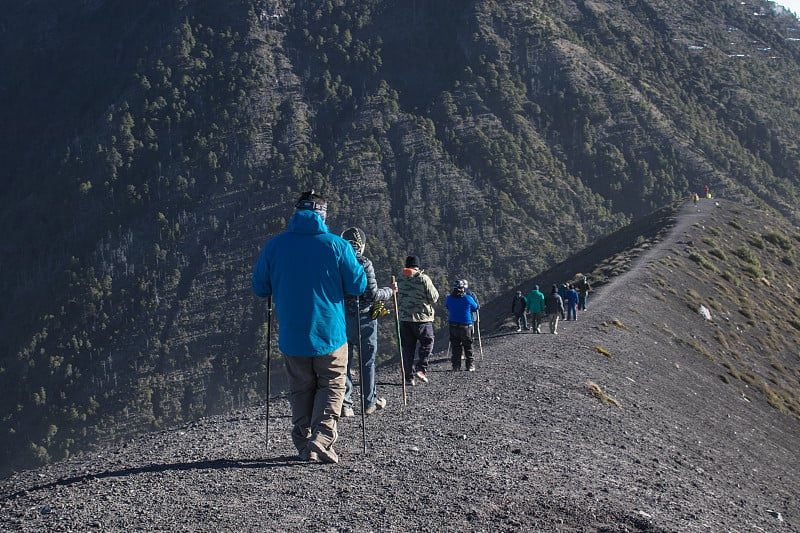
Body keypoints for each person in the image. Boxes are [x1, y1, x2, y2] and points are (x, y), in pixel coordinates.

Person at [251, 190, 367, 464]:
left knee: (301, 387)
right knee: (333, 384)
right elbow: (358, 286)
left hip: (293, 334)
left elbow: (260, 287)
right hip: (330, 332)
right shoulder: (337, 246)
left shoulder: (275, 246)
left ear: (296, 213)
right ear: (323, 216)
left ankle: (303, 442)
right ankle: (322, 439)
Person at [340, 227, 396, 417]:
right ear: (361, 245)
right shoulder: (364, 262)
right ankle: (369, 401)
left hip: (342, 319)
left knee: (344, 361)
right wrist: (389, 291)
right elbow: (372, 295)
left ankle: (345, 403)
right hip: (366, 317)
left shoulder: (337, 261)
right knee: (367, 361)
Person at [396, 255, 439, 386]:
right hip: (422, 319)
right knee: (427, 342)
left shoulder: (399, 279)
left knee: (408, 348)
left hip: (404, 319)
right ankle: (421, 368)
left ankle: (409, 378)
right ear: (418, 266)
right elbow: (434, 297)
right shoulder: (423, 279)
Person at [446, 279, 479, 371]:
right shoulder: (468, 298)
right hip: (466, 326)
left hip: (453, 325)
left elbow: (448, 306)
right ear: (463, 288)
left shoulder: (449, 298)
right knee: (468, 345)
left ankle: (456, 366)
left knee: (456, 346)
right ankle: (470, 365)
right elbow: (476, 307)